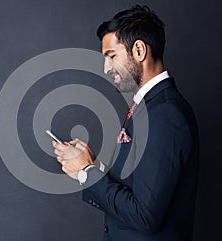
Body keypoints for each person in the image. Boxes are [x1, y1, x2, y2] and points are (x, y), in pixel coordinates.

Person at [53, 5, 199, 241]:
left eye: (111, 56)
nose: (106, 68)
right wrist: (94, 165)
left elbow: (144, 216)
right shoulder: (148, 107)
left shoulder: (165, 114)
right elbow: (138, 187)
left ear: (139, 50)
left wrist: (86, 172)